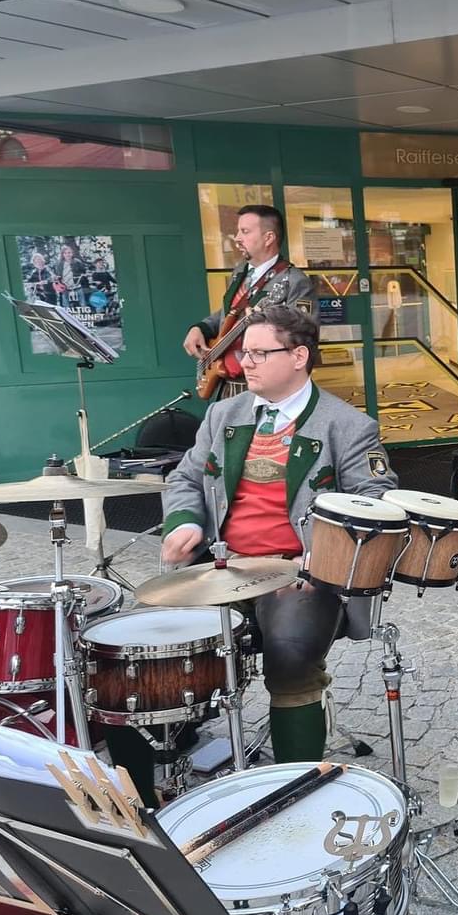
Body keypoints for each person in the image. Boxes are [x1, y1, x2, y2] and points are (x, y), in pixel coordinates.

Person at [110, 305, 396, 804]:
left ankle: (293, 791)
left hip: (299, 572)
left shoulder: (348, 425)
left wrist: (324, 557)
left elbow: (375, 498)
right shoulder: (225, 414)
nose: (244, 363)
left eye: (259, 353)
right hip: (222, 563)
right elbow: (186, 477)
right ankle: (139, 796)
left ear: (299, 356)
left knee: (291, 653)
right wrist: (185, 522)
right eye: (245, 352)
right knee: (136, 648)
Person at [183, 204, 315, 399]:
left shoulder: (296, 281)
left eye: (244, 231)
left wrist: (267, 325)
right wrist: (201, 328)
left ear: (268, 238)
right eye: (238, 231)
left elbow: (305, 336)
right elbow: (228, 314)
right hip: (227, 386)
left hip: (268, 389)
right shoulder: (240, 272)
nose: (237, 238)